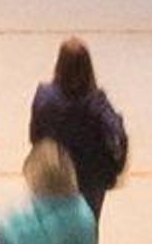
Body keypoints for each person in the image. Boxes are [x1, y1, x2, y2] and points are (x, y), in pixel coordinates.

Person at [26, 38, 130, 214]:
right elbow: (118, 135)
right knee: (87, 229)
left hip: (52, 174)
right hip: (89, 179)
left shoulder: (44, 96)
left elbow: (34, 135)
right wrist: (116, 165)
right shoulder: (96, 102)